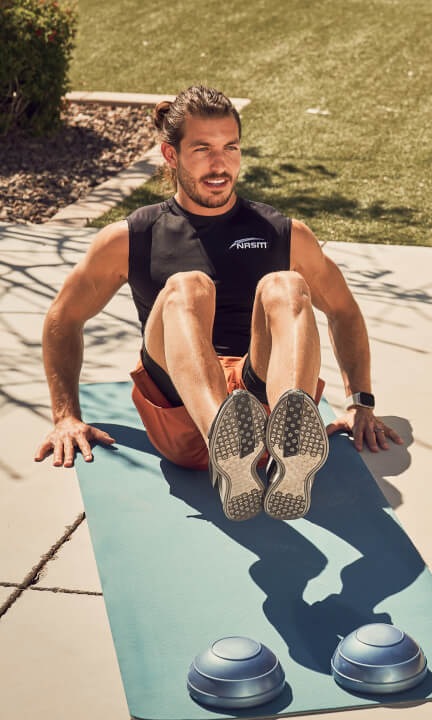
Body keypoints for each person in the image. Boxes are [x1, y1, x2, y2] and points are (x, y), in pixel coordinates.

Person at [34, 85, 402, 522]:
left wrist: (360, 401)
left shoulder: (284, 233)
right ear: (171, 156)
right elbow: (63, 318)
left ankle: (288, 444)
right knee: (188, 286)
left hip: (260, 399)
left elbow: (343, 310)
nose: (220, 163)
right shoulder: (133, 236)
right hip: (181, 412)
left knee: (286, 285)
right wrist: (66, 416)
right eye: (202, 149)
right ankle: (226, 449)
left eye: (230, 147)